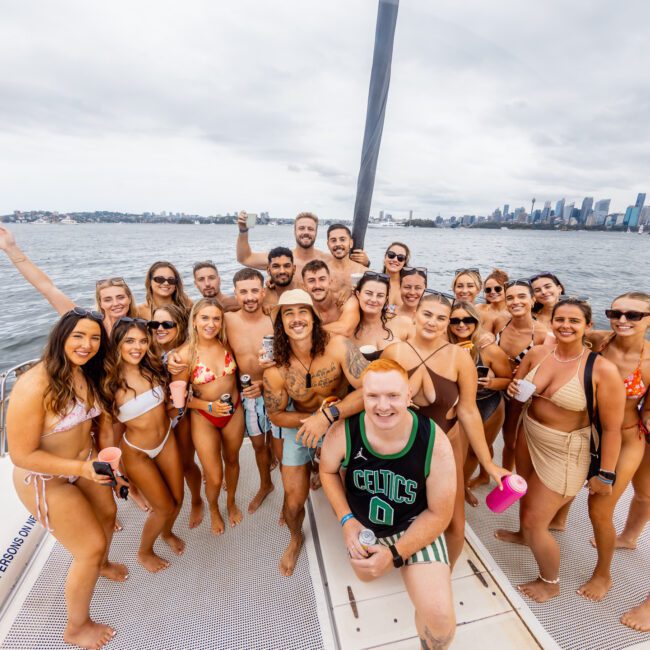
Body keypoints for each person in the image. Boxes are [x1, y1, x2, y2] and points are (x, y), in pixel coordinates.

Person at [8, 308, 126, 650]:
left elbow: (98, 426)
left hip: (86, 464)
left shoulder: (87, 373)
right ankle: (76, 626)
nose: (87, 344)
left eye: (94, 337)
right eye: (78, 336)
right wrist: (81, 470)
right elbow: (21, 455)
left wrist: (110, 470)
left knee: (108, 514)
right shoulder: (33, 385)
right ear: (61, 337)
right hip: (45, 478)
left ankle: (101, 565)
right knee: (88, 547)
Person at [320, 358, 456, 649]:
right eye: (373, 396)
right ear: (362, 397)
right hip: (364, 525)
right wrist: (346, 520)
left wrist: (396, 554)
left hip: (414, 524)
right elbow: (327, 470)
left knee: (441, 623)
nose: (383, 406)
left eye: (393, 395)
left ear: (409, 396)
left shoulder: (433, 439)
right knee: (366, 577)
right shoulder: (345, 431)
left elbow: (439, 514)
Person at [496, 298, 624, 603]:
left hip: (566, 451)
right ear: (551, 322)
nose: (566, 325)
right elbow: (516, 392)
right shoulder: (539, 352)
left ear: (588, 327)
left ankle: (550, 581)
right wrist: (511, 429)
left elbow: (612, 429)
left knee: (534, 520)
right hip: (530, 435)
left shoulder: (602, 370)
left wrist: (606, 475)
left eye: (574, 321)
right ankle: (524, 536)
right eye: (560, 319)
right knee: (525, 496)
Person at [382, 292, 509, 566]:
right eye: (427, 314)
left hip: (446, 447)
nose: (432, 322)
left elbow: (468, 410)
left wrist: (488, 463)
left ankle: (446, 575)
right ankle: (406, 562)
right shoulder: (395, 352)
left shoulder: (459, 358)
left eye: (441, 318)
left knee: (454, 523)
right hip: (402, 447)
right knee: (405, 512)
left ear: (447, 322)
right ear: (415, 314)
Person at [263, 289, 368, 576]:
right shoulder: (276, 369)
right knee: (294, 501)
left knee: (354, 493)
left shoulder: (339, 346)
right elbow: (276, 414)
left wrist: (328, 416)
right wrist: (312, 421)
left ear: (314, 316)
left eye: (302, 311)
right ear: (280, 324)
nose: (296, 319)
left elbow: (367, 389)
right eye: (288, 313)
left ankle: (356, 532)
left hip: (341, 419)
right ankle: (296, 538)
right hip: (300, 426)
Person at [577, 292, 650, 601]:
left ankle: (603, 574)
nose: (622, 320)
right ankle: (628, 538)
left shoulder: (649, 362)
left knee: (600, 507)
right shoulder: (596, 340)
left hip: (628, 435)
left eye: (633, 315)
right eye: (616, 312)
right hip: (587, 431)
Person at [104, 318, 186, 572]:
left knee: (178, 499)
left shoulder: (151, 368)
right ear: (117, 344)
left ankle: (167, 533)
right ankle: (144, 551)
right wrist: (115, 475)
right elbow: (107, 437)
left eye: (142, 340)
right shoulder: (109, 385)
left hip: (166, 440)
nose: (137, 347)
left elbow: (163, 407)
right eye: (129, 341)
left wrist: (181, 403)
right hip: (137, 452)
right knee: (162, 508)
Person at [173, 298, 244, 534]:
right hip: (205, 418)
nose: (210, 323)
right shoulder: (184, 355)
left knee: (233, 461)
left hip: (234, 412)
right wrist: (208, 407)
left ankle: (231, 502)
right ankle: (213, 508)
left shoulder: (226, 344)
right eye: (204, 318)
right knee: (214, 477)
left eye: (216, 318)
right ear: (194, 321)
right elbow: (178, 399)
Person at [0, 226, 138, 334]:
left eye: (120, 297)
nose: (115, 303)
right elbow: (47, 288)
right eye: (107, 299)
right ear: (100, 303)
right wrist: (11, 248)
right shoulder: (86, 322)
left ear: (129, 299)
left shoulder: (140, 326)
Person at [447, 301, 512, 507]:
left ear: (476, 322)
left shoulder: (490, 350)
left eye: (467, 320)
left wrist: (491, 382)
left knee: (477, 452)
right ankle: (451, 490)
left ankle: (463, 485)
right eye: (455, 320)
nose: (461, 325)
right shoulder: (444, 347)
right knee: (458, 453)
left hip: (488, 403)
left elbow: (507, 379)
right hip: (460, 406)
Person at [224, 268, 277, 512]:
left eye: (255, 290)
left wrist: (265, 384)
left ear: (263, 292)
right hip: (249, 397)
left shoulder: (274, 318)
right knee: (258, 445)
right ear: (235, 294)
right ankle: (265, 484)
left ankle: (286, 480)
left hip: (275, 391)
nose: (250, 297)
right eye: (243, 292)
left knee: (277, 445)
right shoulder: (228, 320)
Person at [149, 304, 205, 529]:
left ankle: (197, 500)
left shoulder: (184, 351)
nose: (160, 328)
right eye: (155, 324)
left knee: (185, 463)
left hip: (179, 416)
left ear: (179, 326)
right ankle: (166, 505)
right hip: (156, 418)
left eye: (167, 324)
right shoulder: (149, 349)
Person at [494, 280, 549, 470]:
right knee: (491, 436)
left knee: (511, 441)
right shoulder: (500, 322)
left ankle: (508, 478)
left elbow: (547, 368)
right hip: (496, 386)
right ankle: (488, 474)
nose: (515, 301)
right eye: (510, 297)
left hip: (518, 393)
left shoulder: (542, 334)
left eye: (521, 296)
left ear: (533, 300)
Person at [237, 211, 332, 279]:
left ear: (316, 232)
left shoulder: (327, 261)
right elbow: (245, 258)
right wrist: (243, 231)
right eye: (301, 228)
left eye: (310, 229)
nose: (306, 232)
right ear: (295, 231)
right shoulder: (280, 259)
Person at [353, 271, 413, 361]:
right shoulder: (349, 329)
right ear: (358, 294)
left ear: (386, 299)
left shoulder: (404, 323)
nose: (373, 299)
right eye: (368, 293)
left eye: (380, 296)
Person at [302, 259, 360, 336]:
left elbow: (347, 329)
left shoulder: (345, 299)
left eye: (322, 279)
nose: (317, 285)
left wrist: (311, 331)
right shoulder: (302, 307)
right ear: (304, 286)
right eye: (311, 281)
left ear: (330, 281)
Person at [325, 223, 369, 294]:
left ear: (351, 243)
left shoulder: (364, 272)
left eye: (342, 239)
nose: (338, 244)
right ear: (328, 245)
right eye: (333, 240)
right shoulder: (322, 273)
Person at [476, 268, 510, 333]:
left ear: (506, 288)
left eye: (497, 288)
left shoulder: (512, 313)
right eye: (488, 290)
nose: (492, 292)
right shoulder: (478, 309)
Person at [382, 242, 410, 310]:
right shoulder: (374, 282)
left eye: (400, 257)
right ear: (385, 257)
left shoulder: (409, 287)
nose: (395, 260)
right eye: (391, 255)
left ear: (404, 262)